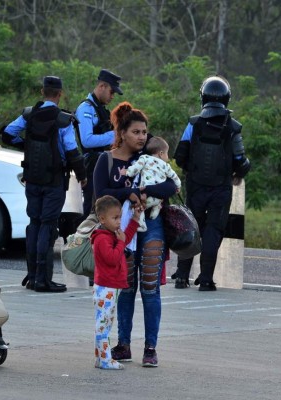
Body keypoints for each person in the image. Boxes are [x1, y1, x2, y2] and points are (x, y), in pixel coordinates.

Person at [94, 102, 176, 367]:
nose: (142, 137)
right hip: (121, 231)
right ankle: (123, 345)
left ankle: (150, 348)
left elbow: (170, 186)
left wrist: (145, 193)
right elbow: (99, 195)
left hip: (152, 226)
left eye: (144, 132)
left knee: (150, 290)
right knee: (126, 289)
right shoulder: (105, 160)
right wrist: (127, 193)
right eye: (136, 132)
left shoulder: (153, 156)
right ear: (122, 133)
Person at [2, 76, 87, 293]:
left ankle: (32, 277)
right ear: (60, 94)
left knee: (35, 223)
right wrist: (82, 174)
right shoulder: (62, 120)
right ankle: (43, 280)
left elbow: (7, 134)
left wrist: (26, 146)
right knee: (48, 226)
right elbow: (71, 150)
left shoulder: (29, 115)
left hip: (32, 178)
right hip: (54, 180)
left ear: (42, 91)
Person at [171, 76, 251, 291]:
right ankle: (206, 279)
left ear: (203, 96)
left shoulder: (193, 123)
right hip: (220, 189)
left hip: (195, 186)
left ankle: (181, 276)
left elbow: (180, 156)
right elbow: (240, 160)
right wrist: (240, 171)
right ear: (227, 99)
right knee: (213, 231)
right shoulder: (233, 127)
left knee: (190, 227)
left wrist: (191, 170)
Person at [91, 195, 140, 370]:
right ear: (102, 219)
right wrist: (120, 243)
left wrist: (134, 220)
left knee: (105, 323)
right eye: (115, 218)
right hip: (106, 287)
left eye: (120, 217)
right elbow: (112, 258)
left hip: (110, 287)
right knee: (103, 325)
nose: (119, 221)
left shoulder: (110, 234)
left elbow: (124, 239)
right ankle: (105, 359)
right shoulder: (102, 238)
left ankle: (100, 358)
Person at [75, 69, 123, 220]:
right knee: (90, 207)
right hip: (91, 164)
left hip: (103, 163)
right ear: (102, 86)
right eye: (111, 91)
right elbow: (86, 140)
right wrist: (114, 136)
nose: (112, 96)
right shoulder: (86, 109)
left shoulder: (101, 109)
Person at [125, 136, 181, 232]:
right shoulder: (166, 166)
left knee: (139, 207)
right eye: (167, 153)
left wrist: (128, 172)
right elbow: (174, 177)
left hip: (146, 196)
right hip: (158, 196)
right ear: (161, 154)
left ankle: (142, 225)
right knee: (157, 201)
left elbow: (135, 168)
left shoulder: (144, 158)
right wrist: (178, 186)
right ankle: (157, 207)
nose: (168, 157)